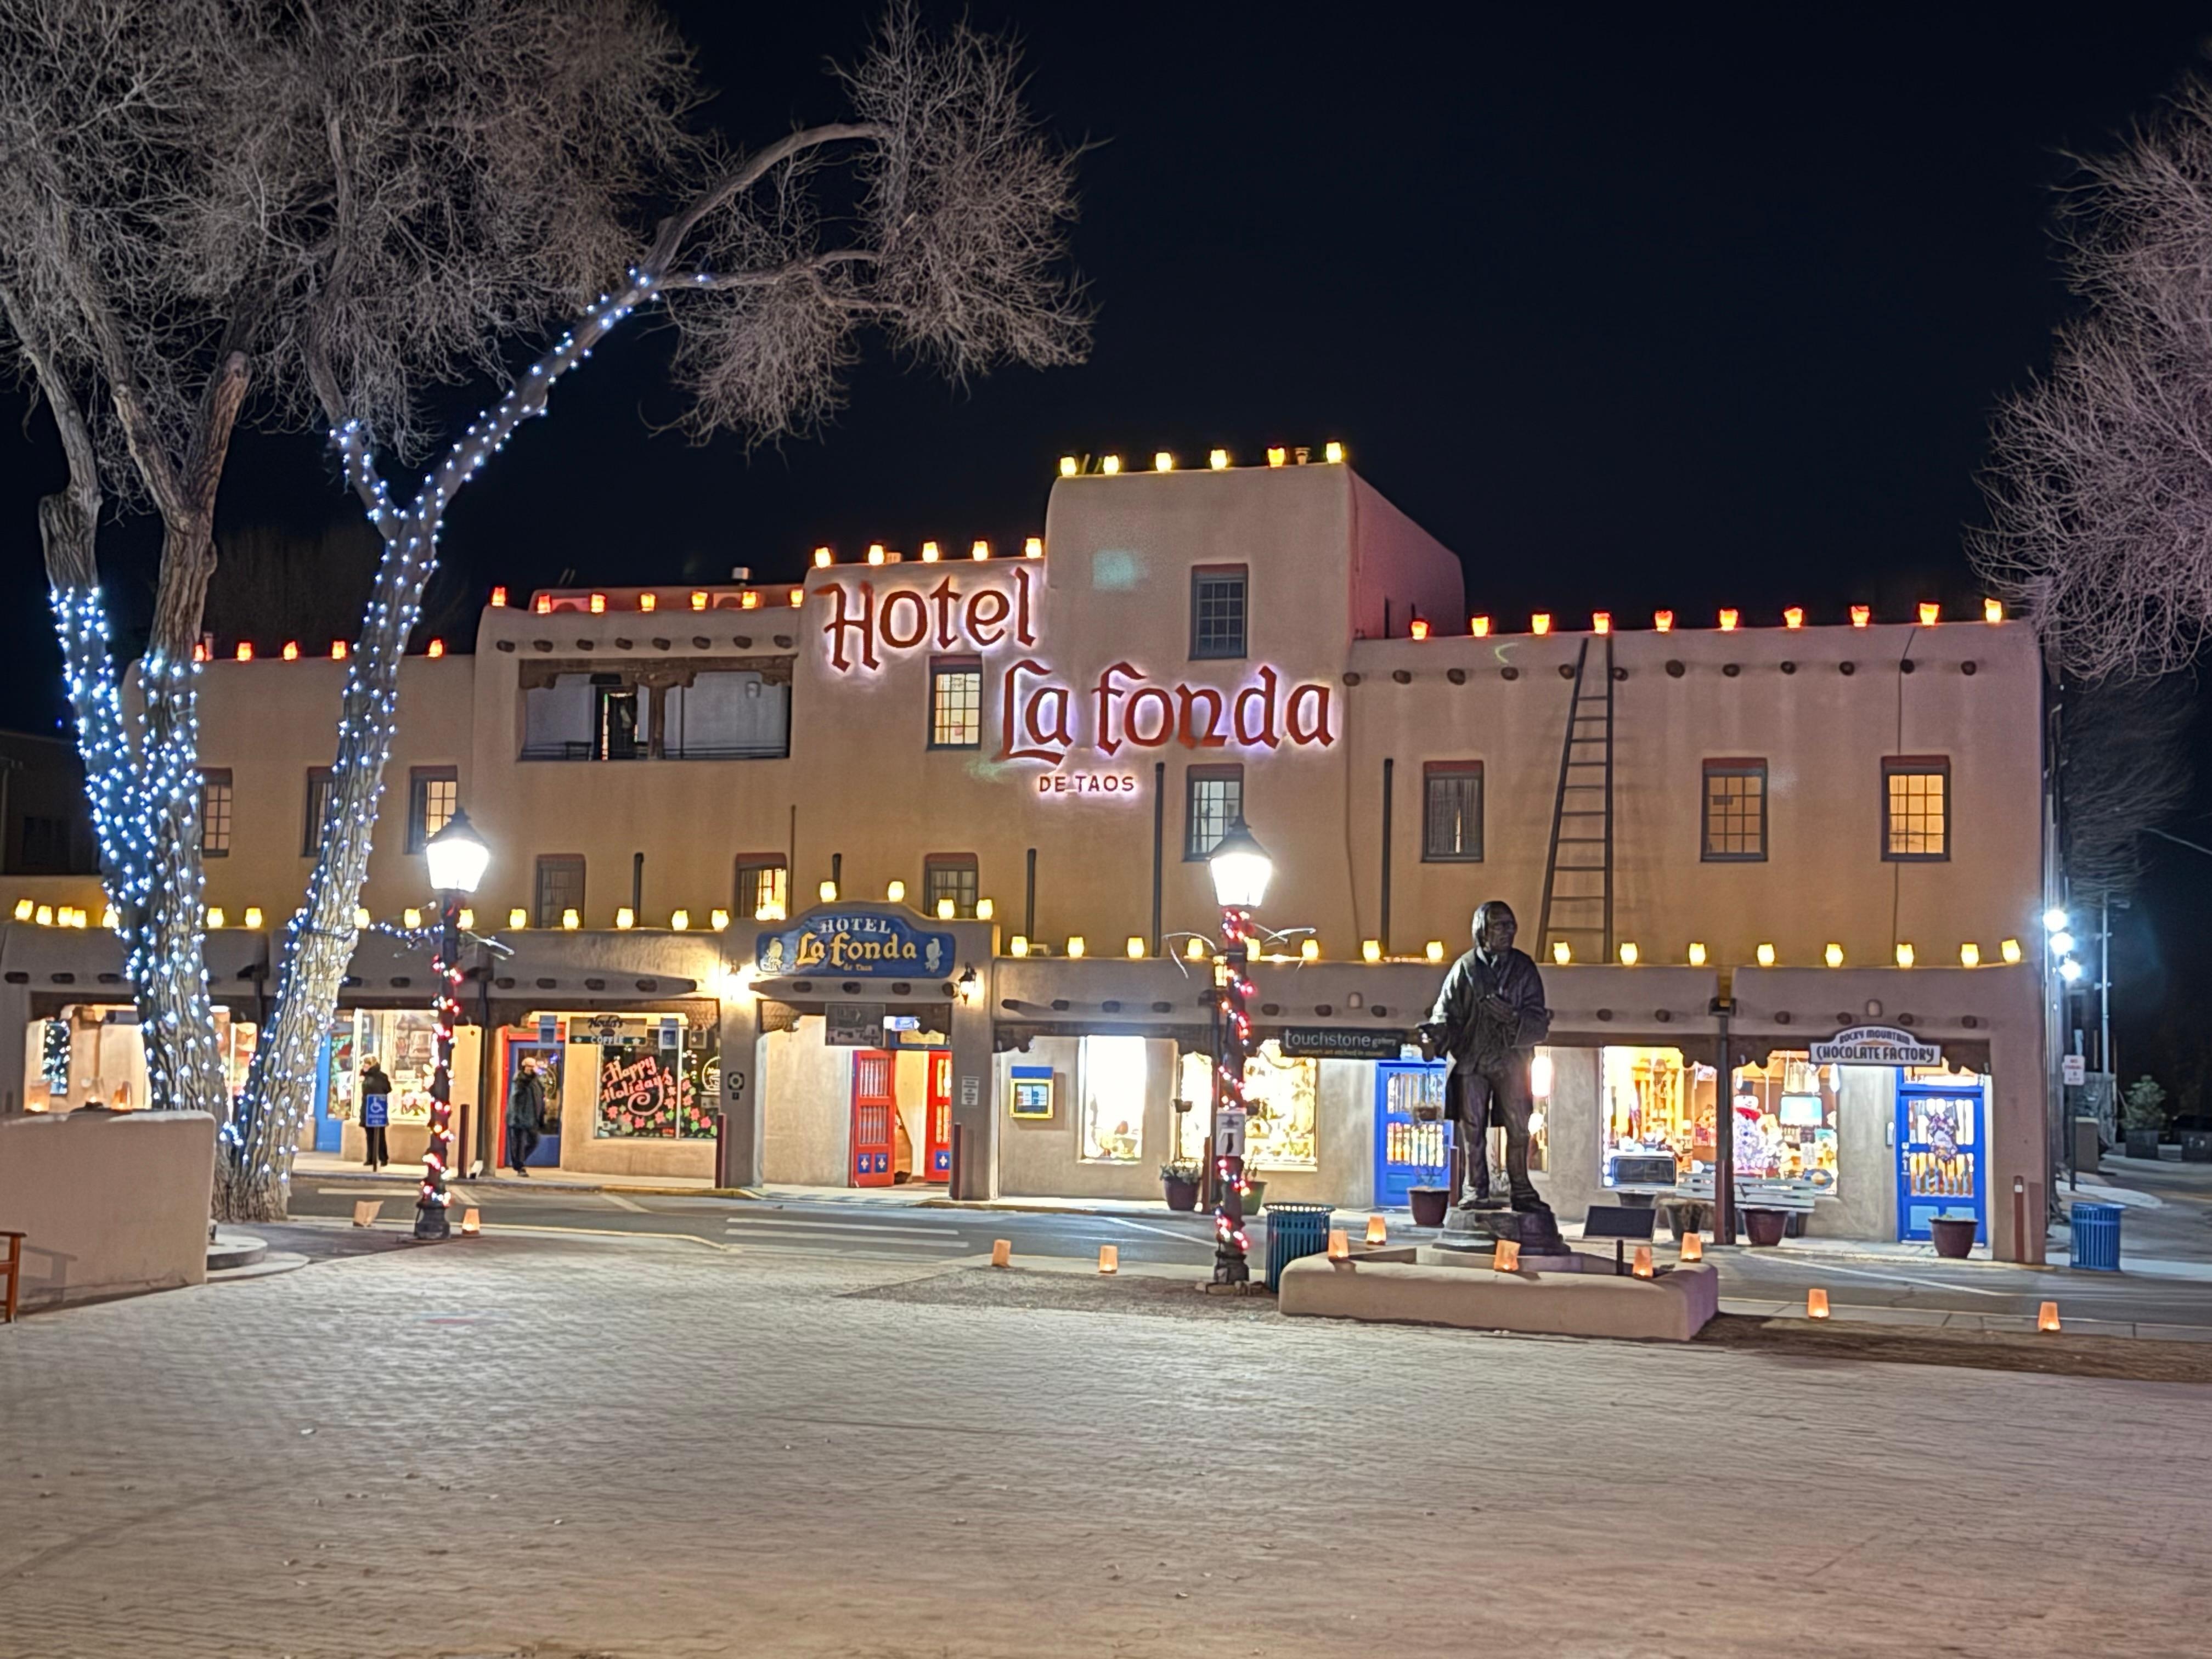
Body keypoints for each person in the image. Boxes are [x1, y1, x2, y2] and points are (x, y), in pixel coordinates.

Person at [1418, 900, 1553, 1213]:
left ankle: (1521, 1188)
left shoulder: (1524, 968)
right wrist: (1434, 1034)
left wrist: (1514, 1018)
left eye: (1511, 925)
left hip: (1511, 1061)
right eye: (1499, 926)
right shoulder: (1465, 968)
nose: (1508, 931)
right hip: (1473, 1061)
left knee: (1519, 1127)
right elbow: (1444, 1011)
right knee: (1473, 1129)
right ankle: (1476, 1188)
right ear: (1482, 930)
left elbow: (1539, 1019)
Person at [507, 1055, 546, 1176]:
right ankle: (520, 1167)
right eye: (530, 1066)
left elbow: (541, 1098)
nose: (532, 1069)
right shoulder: (519, 1080)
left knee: (535, 1141)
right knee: (519, 1143)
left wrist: (541, 1116)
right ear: (524, 1067)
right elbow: (519, 1090)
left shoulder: (536, 1082)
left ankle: (519, 1161)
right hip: (520, 1118)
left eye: (534, 1066)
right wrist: (516, 1116)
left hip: (533, 1118)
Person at [359, 1056, 392, 1169]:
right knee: (373, 1135)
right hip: (373, 1109)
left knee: (376, 1136)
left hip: (374, 1109)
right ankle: (375, 1158)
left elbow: (385, 1090)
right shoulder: (371, 1076)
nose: (364, 1066)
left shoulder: (373, 1077)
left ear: (371, 1065)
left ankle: (378, 1158)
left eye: (366, 1064)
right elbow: (388, 1089)